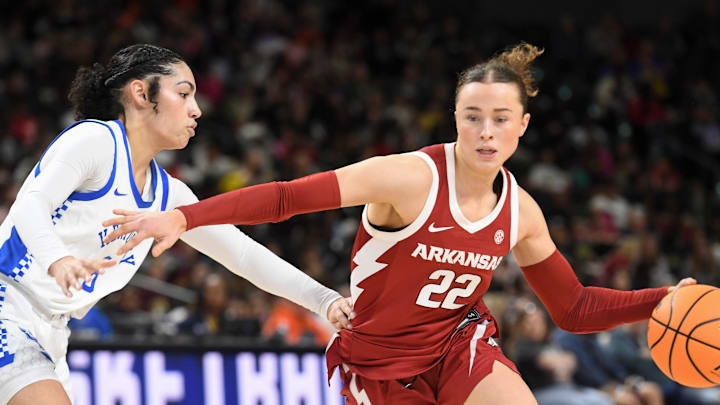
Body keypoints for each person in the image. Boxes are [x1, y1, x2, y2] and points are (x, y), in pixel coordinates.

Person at [104, 43, 695, 405]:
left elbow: (574, 308)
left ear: (523, 125)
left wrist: (663, 300)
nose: (485, 132)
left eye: (500, 119)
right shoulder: (408, 178)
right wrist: (184, 216)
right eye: (472, 117)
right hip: (378, 363)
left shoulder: (522, 211)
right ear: (456, 119)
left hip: (459, 344)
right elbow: (287, 197)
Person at [0, 44, 352, 405]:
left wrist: (324, 301)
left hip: (54, 333)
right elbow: (32, 203)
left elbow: (244, 255)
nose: (196, 109)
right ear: (140, 93)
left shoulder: (169, 196)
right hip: (7, 303)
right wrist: (57, 258)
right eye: (183, 93)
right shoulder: (96, 140)